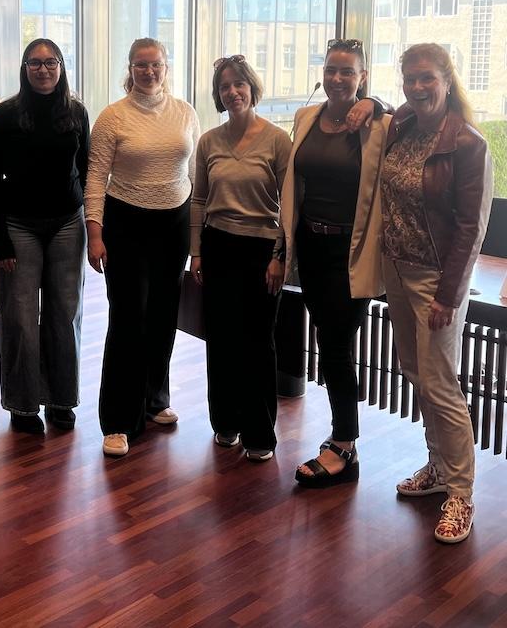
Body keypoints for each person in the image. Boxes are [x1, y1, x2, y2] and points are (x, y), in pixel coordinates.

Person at [381, 43, 492, 543]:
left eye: (427, 78)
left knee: (441, 383)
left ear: (447, 79)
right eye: (410, 79)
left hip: (436, 281)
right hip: (396, 270)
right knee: (415, 373)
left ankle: (461, 494)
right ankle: (438, 468)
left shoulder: (467, 144)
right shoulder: (404, 126)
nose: (418, 87)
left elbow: (471, 230)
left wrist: (448, 295)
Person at [282, 39, 391, 488]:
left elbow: (413, 109)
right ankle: (343, 438)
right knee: (328, 340)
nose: (337, 78)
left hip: (352, 252)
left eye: (348, 72)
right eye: (331, 70)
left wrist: (375, 103)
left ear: (362, 76)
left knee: (337, 347)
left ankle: (344, 445)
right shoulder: (306, 117)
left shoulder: (379, 126)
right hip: (311, 244)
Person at [86, 37, 200, 457]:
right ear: (129, 70)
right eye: (140, 65)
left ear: (166, 67)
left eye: (155, 65)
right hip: (125, 222)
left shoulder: (185, 112)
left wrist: (194, 233)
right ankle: (118, 420)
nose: (148, 72)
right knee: (128, 318)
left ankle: (155, 400)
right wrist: (94, 234)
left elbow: (192, 173)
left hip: (174, 221)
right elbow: (96, 177)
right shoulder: (112, 117)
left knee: (163, 315)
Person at [0, 38, 90, 434]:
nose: (43, 70)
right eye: (34, 63)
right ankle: (23, 404)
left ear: (62, 67)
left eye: (51, 63)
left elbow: (86, 169)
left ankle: (62, 400)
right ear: (24, 68)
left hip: (66, 224)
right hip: (19, 225)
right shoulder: (6, 115)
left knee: (65, 315)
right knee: (21, 318)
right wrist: (0, 241)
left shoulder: (76, 113)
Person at [189, 55, 290, 462]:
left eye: (239, 84)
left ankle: (260, 433)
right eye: (225, 86)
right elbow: (198, 200)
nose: (232, 92)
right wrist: (196, 252)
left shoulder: (278, 140)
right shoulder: (209, 141)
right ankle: (225, 423)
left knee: (258, 342)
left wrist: (280, 257)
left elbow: (289, 205)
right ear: (218, 94)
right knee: (222, 339)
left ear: (252, 87)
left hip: (261, 250)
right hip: (217, 246)